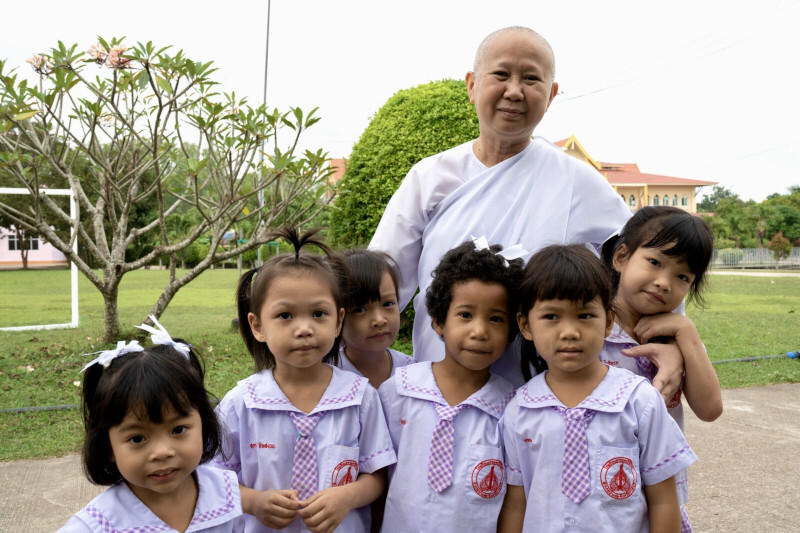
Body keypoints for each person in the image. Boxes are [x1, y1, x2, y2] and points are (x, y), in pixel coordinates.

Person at [368, 26, 635, 388]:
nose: (514, 91)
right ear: (472, 85)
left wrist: (666, 338)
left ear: (552, 94)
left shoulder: (576, 181)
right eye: (500, 74)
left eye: (531, 78)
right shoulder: (430, 178)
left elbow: (641, 265)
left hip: (541, 404)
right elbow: (382, 284)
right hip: (436, 398)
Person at [498, 245, 696, 532]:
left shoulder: (639, 401)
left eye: (585, 316)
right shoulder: (520, 410)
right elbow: (517, 503)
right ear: (525, 326)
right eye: (551, 317)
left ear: (608, 322)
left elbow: (664, 500)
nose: (569, 332)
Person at [213, 227, 396, 533]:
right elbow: (214, 478)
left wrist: (347, 496)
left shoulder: (359, 397)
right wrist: (254, 502)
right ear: (257, 325)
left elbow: (376, 475)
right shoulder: (242, 403)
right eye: (285, 315)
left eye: (318, 314)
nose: (304, 329)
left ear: (338, 321)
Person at [377, 237, 522, 532]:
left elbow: (513, 498)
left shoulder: (513, 410)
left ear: (511, 331)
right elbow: (377, 477)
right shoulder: (398, 391)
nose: (479, 331)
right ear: (439, 321)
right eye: (465, 315)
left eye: (496, 319)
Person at [58, 317, 243, 532]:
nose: (162, 452)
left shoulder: (225, 492)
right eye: (137, 438)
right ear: (107, 446)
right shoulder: (98, 525)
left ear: (203, 422)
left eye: (178, 429)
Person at [602, 206, 723, 530]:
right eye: (655, 262)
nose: (664, 282)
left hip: (663, 497)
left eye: (682, 276)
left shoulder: (679, 339)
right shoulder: (591, 332)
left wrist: (687, 333)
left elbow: (710, 408)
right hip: (597, 494)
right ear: (621, 258)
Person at [332, 249, 413, 388]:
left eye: (388, 304)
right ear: (338, 317)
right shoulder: (328, 377)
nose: (379, 320)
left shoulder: (413, 373)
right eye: (360, 310)